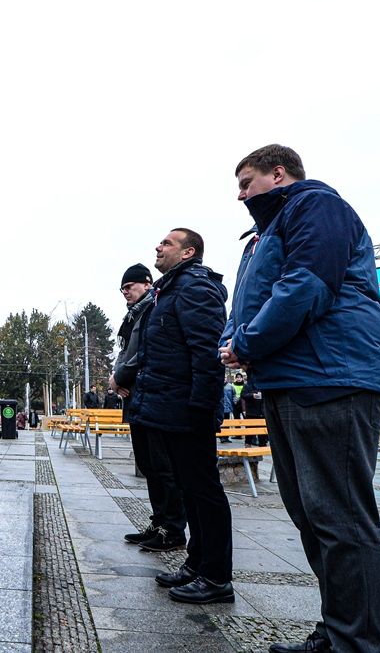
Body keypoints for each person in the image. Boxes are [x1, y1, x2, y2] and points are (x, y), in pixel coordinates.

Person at [220, 144, 380, 653]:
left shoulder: (317, 206)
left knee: (340, 517)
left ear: (278, 174)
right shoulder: (265, 233)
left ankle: (355, 642)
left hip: (333, 377)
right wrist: (233, 341)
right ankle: (337, 628)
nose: (240, 195)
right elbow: (250, 303)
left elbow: (306, 285)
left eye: (246, 182)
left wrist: (248, 342)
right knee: (312, 516)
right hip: (290, 379)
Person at [127, 232, 233, 604]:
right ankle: (197, 564)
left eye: (167, 243)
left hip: (188, 411)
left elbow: (206, 353)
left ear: (189, 252)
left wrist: (203, 410)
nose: (158, 246)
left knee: (204, 492)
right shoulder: (171, 289)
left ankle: (217, 576)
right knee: (189, 490)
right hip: (169, 408)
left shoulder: (195, 288)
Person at [111, 263, 186, 553]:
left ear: (146, 283)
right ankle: (159, 522)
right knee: (147, 465)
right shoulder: (134, 314)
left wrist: (119, 377)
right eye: (122, 289)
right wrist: (117, 380)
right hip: (136, 396)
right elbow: (124, 351)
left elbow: (145, 351)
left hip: (150, 394)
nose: (125, 293)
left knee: (162, 465)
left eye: (128, 287)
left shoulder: (153, 308)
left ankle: (173, 529)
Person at [240, 374, 267, 447]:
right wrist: (252, 395)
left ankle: (262, 446)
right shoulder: (247, 385)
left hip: (262, 412)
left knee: (262, 434)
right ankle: (248, 445)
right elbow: (243, 395)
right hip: (251, 413)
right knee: (250, 432)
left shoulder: (263, 384)